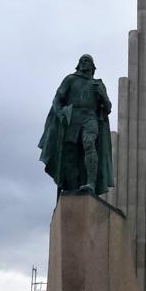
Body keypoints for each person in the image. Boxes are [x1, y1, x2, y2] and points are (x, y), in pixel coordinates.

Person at [38, 54, 113, 196]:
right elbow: (57, 100)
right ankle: (72, 187)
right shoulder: (70, 79)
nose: (84, 63)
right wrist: (60, 114)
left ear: (92, 66)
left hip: (90, 118)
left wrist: (102, 95)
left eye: (87, 61)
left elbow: (108, 108)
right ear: (78, 65)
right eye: (81, 61)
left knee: (89, 144)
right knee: (70, 153)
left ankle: (91, 183)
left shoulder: (98, 84)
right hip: (73, 118)